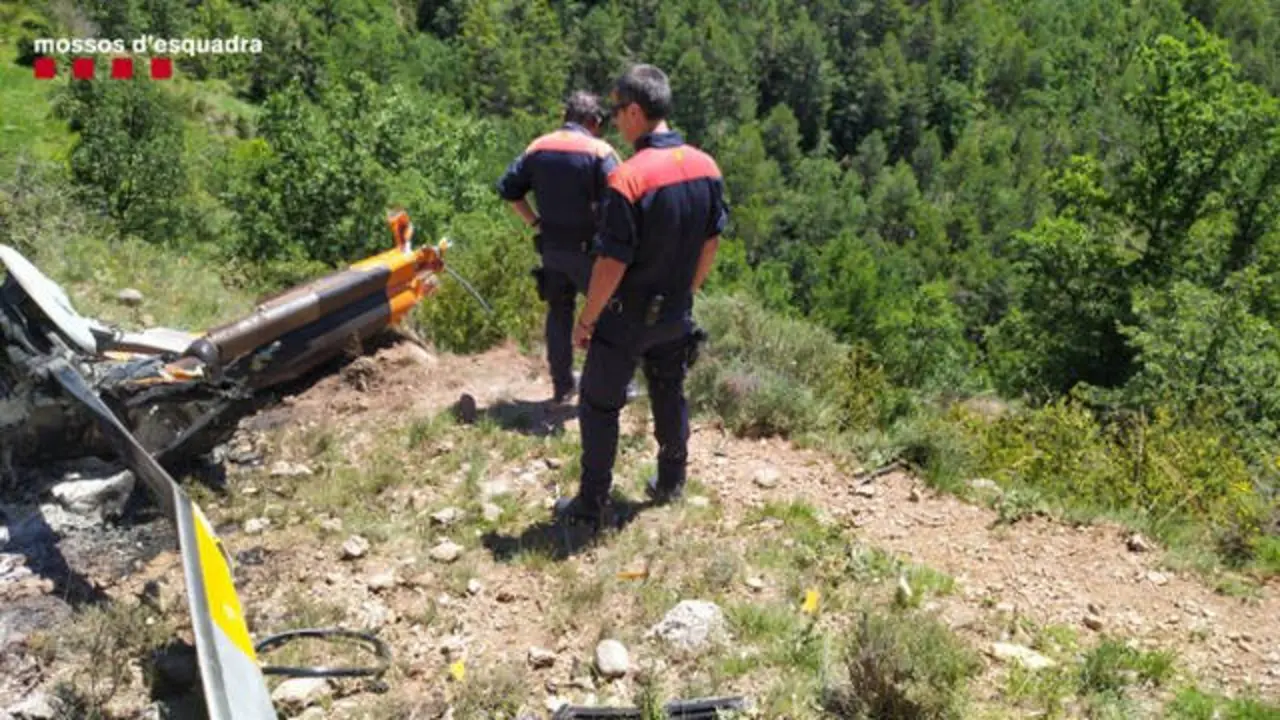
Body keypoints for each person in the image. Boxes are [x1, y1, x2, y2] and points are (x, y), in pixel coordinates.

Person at [554, 64, 728, 525]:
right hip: (676, 311)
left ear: (635, 110)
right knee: (669, 391)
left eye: (617, 112)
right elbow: (711, 243)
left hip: (626, 317)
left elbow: (612, 263)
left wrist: (587, 318)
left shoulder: (629, 179)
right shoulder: (706, 167)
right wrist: (686, 293)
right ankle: (671, 481)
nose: (614, 121)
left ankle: (592, 503)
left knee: (599, 404)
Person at [496, 91, 620, 403]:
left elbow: (509, 190)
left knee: (558, 313)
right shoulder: (600, 151)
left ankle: (562, 386)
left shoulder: (538, 147)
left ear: (565, 118)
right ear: (594, 122)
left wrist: (535, 223)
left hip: (551, 247)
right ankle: (609, 384)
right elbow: (619, 201)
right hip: (589, 250)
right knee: (608, 313)